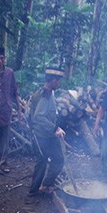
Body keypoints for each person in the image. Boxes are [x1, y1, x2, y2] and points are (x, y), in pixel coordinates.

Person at [28, 68, 66, 197]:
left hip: (49, 135)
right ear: (54, 81)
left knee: (59, 159)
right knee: (42, 162)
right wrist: (55, 128)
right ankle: (33, 193)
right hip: (41, 136)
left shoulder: (49, 93)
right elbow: (38, 117)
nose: (59, 84)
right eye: (58, 81)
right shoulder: (44, 95)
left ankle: (46, 185)